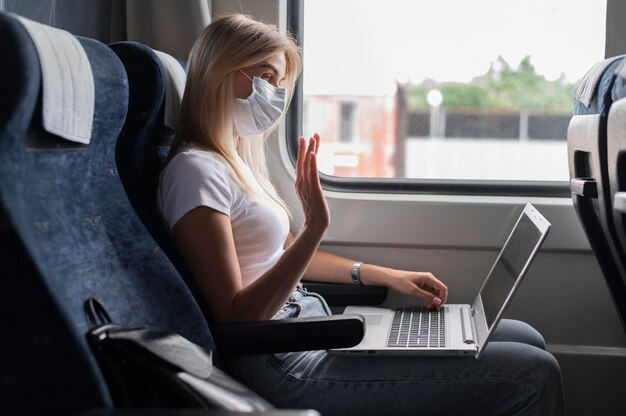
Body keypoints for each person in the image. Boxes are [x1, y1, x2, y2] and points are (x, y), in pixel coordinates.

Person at [157, 13, 566, 416]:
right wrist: (316, 226)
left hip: (308, 327)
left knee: (524, 337)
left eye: (279, 82)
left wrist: (383, 275)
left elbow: (286, 259)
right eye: (264, 77)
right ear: (219, 72)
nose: (275, 93)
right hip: (280, 362)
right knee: (532, 374)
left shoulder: (234, 162)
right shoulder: (195, 171)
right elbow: (237, 315)